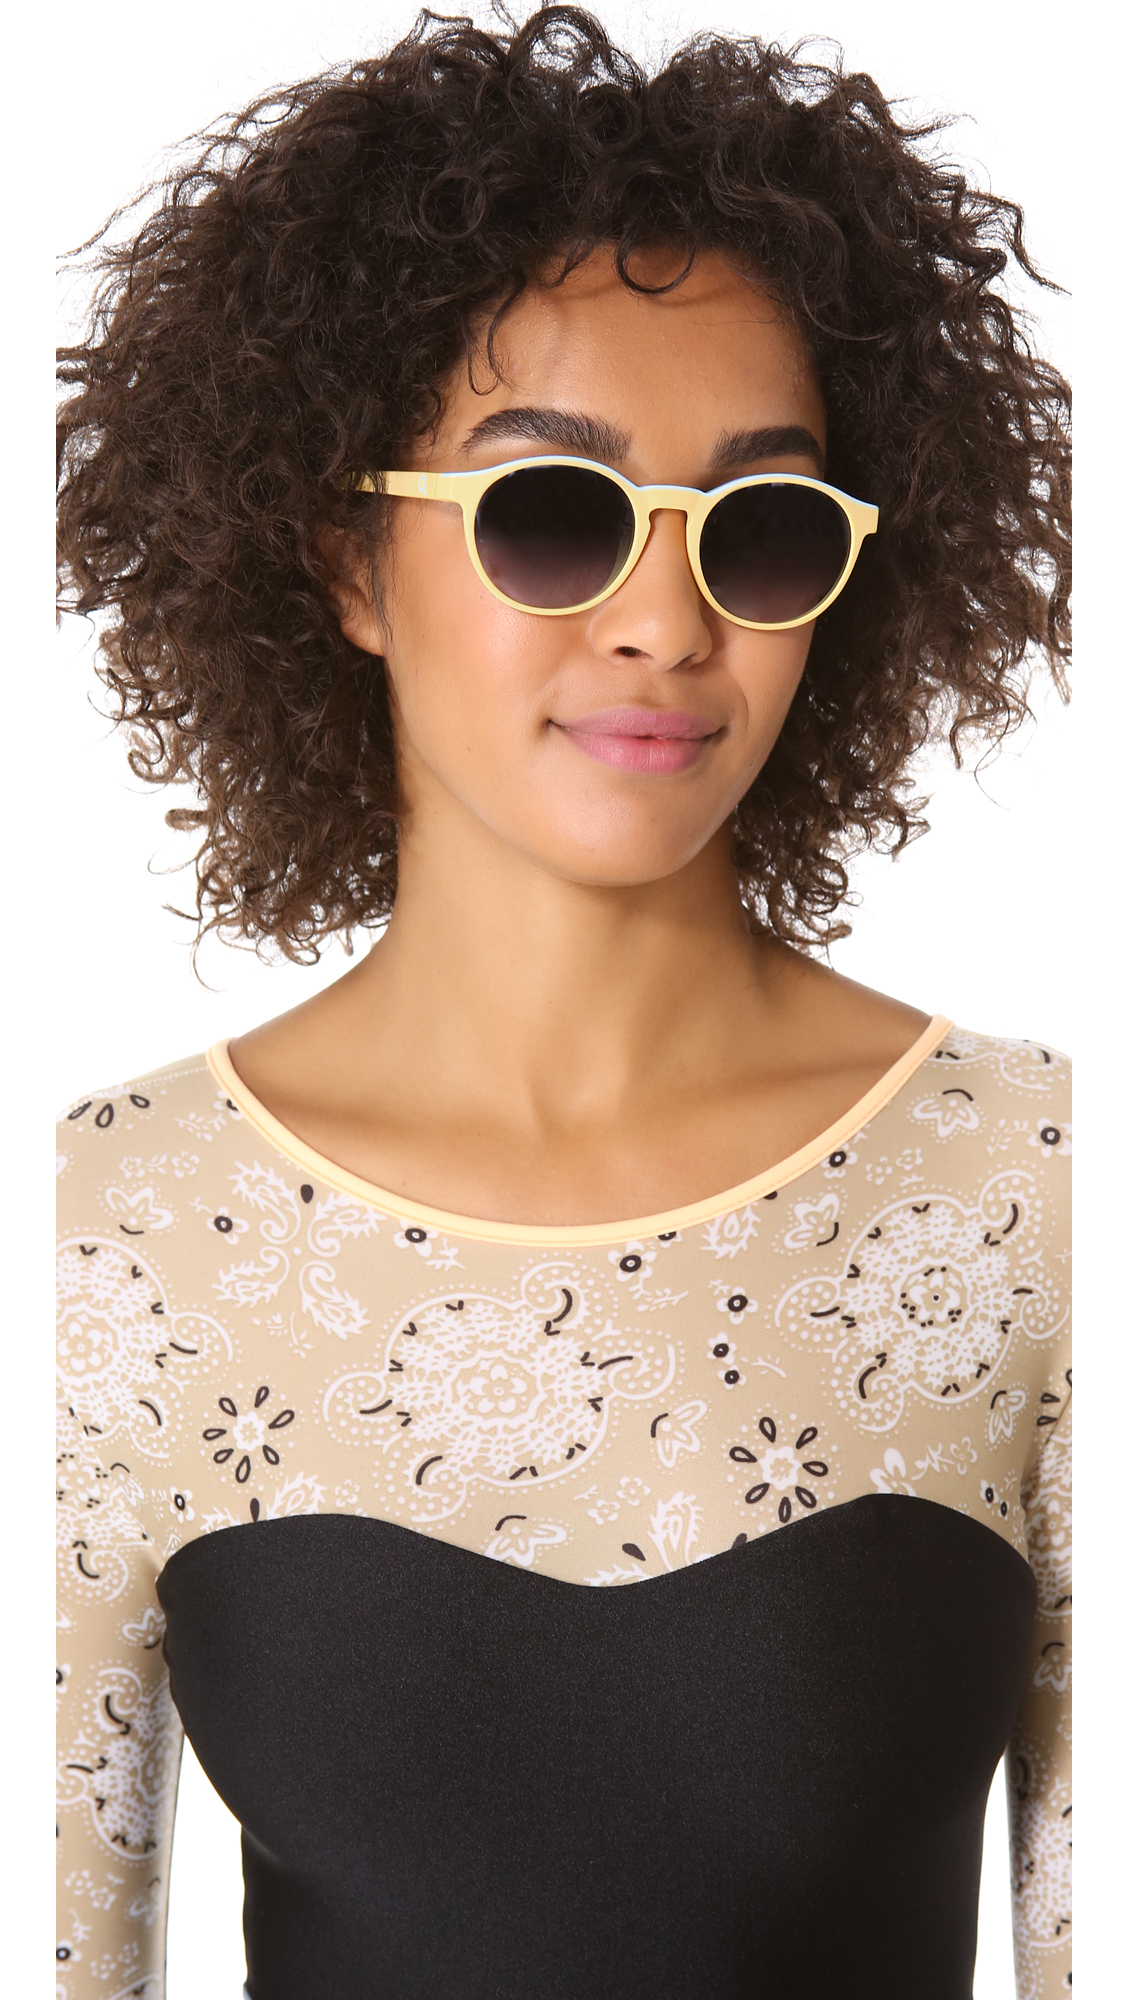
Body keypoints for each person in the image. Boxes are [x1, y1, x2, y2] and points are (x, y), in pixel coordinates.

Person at [55, 9, 1071, 1997]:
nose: (665, 623)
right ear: (349, 560)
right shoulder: (110, 1233)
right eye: (552, 513)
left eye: (760, 528)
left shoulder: (1036, 1190)